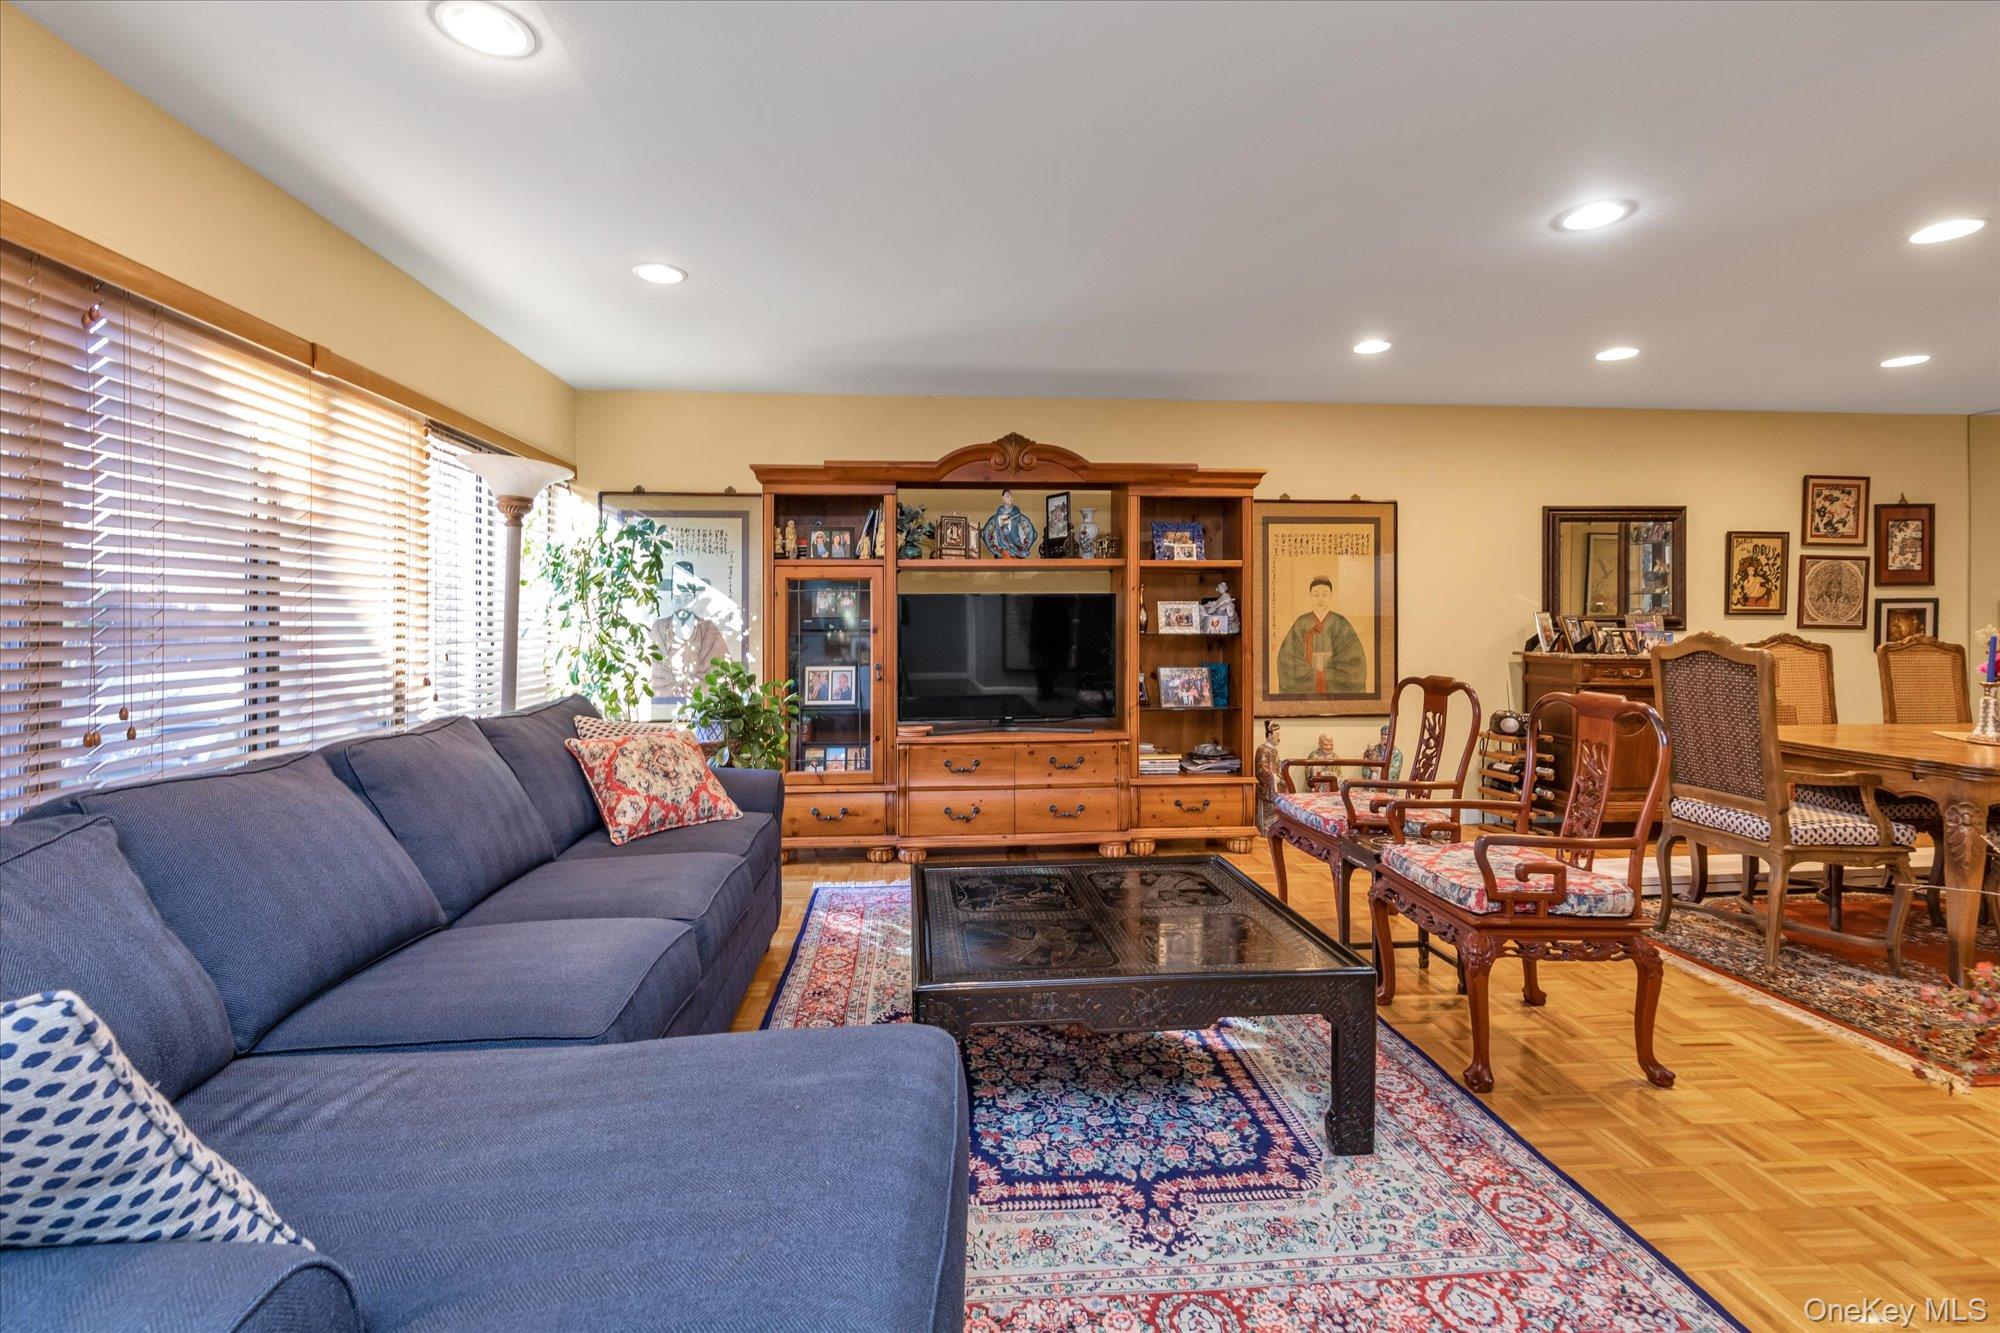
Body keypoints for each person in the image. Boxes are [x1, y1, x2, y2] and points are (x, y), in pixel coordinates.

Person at [1276, 575, 1366, 695]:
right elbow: (1287, 658)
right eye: (1316, 594)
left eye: (1325, 594)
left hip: (1334, 679)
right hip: (1305, 679)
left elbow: (1354, 660)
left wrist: (1323, 677)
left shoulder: (1340, 622)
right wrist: (1315, 677)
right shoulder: (1301, 623)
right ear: (1310, 597)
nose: (1320, 599)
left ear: (1330, 596)